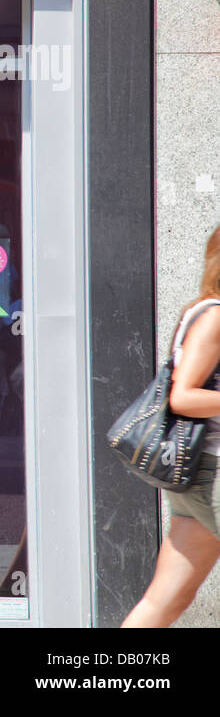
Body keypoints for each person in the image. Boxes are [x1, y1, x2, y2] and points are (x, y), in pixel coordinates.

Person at [124, 226, 220, 627]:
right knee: (165, 600)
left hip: (199, 476)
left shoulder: (202, 311)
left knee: (166, 601)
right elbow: (182, 397)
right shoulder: (215, 316)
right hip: (213, 472)